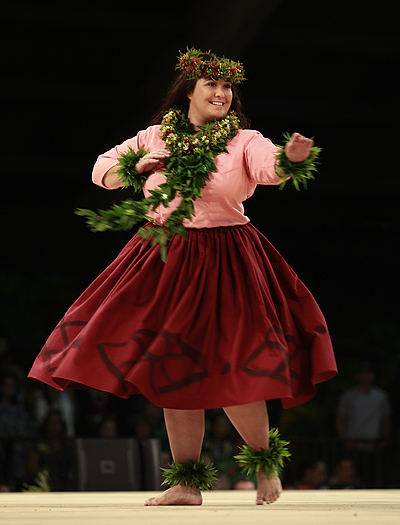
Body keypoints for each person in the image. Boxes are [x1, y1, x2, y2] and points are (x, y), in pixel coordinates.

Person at [28, 48, 337, 505]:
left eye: (227, 86)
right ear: (188, 91)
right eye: (211, 84)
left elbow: (269, 167)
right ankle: (187, 483)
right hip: (163, 254)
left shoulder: (244, 140)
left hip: (227, 256)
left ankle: (265, 466)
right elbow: (101, 170)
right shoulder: (155, 135)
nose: (221, 93)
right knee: (173, 366)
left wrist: (289, 159)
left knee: (236, 362)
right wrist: (132, 166)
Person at [336, 360, 391, 487]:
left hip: (374, 443)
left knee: (374, 476)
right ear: (357, 375)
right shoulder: (349, 396)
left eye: (369, 373)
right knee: (354, 476)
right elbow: (340, 418)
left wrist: (385, 438)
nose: (366, 376)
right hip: (354, 443)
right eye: (363, 372)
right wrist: (345, 439)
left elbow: (385, 418)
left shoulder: (380, 396)